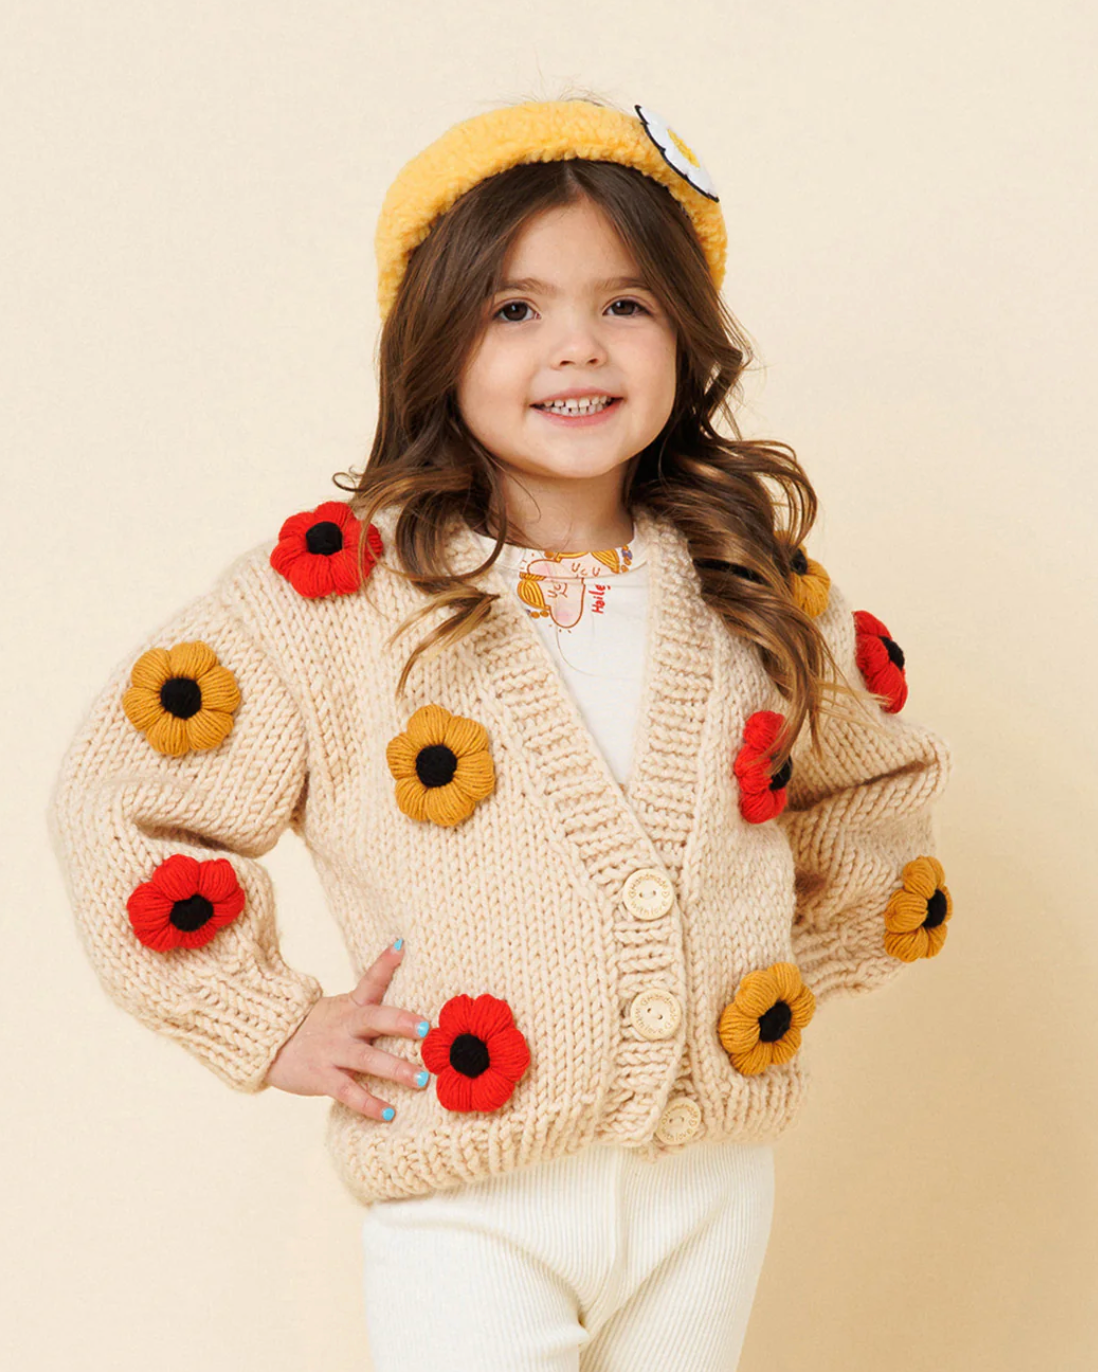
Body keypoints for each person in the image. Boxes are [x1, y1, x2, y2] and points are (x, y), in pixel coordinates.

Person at [47, 94, 955, 1371]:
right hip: (470, 1193)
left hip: (710, 1181)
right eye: (515, 309)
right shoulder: (339, 593)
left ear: (685, 338)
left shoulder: (751, 579)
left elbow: (880, 791)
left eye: (625, 304)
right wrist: (269, 1021)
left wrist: (753, 962)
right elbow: (122, 796)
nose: (575, 348)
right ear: (434, 343)